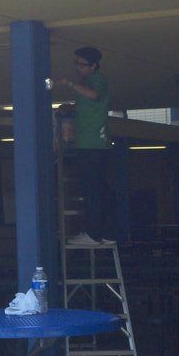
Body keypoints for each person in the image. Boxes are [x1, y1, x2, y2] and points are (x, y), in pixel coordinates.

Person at [56, 46, 112, 245]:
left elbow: (94, 95)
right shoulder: (90, 83)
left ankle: (93, 234)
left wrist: (69, 84)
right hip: (93, 143)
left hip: (92, 143)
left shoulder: (96, 81)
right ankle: (104, 233)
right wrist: (72, 107)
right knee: (98, 189)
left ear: (93, 66)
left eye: (82, 64)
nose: (77, 68)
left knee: (91, 190)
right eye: (76, 63)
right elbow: (91, 103)